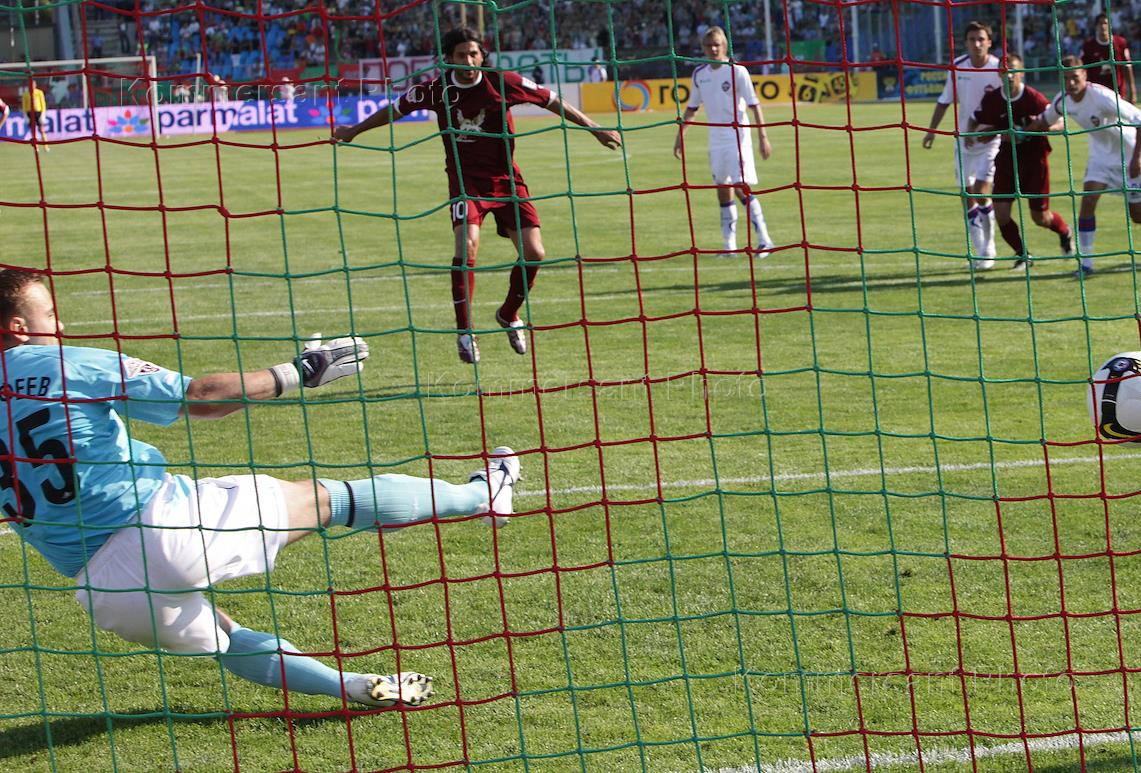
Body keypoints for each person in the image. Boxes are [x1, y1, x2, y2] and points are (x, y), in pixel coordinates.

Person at [0, 269, 522, 708]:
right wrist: (297, 372)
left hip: (104, 591)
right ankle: (484, 495)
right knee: (330, 500)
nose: (60, 325)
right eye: (51, 315)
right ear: (19, 328)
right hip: (166, 528)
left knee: (227, 641)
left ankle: (352, 687)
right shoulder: (61, 363)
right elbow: (200, 398)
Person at [333, 26, 621, 364]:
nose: (468, 61)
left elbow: (552, 100)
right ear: (448, 59)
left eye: (473, 54)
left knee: (535, 253)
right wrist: (354, 131)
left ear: (482, 56)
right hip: (465, 181)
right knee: (467, 245)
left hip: (507, 181)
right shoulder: (436, 89)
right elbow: (395, 109)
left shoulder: (504, 82)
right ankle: (465, 331)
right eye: (461, 55)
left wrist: (595, 129)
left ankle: (508, 314)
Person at [1027, 56, 1141, 277]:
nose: (1070, 83)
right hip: (1100, 160)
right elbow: (1043, 121)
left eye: (1075, 77)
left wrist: (1136, 158)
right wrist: (1019, 130)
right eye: (1066, 78)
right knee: (1087, 202)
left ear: (1085, 75)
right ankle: (1086, 264)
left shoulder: (1101, 96)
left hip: (1130, 158)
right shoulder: (1063, 100)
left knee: (1138, 215)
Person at [673, 27, 774, 260]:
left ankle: (764, 240)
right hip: (715, 139)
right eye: (709, 45)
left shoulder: (737, 71)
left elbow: (754, 105)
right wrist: (680, 136)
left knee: (741, 187)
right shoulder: (700, 74)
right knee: (722, 189)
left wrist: (763, 137)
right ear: (703, 48)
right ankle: (729, 247)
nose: (713, 49)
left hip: (738, 137)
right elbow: (692, 109)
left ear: (724, 46)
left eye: (717, 44)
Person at [967, 52, 1074, 270]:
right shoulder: (993, 99)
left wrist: (1040, 128)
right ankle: (1022, 254)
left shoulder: (1033, 98)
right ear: (999, 73)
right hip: (1007, 159)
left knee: (1040, 217)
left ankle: (1065, 231)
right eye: (1004, 70)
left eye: (1013, 70)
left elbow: (1060, 123)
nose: (1009, 75)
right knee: (1001, 212)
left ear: (1021, 73)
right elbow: (976, 121)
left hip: (1035, 160)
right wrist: (978, 135)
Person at [921, 20, 1002, 270]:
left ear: (989, 42)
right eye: (972, 39)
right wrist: (932, 130)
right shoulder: (957, 66)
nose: (976, 44)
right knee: (966, 195)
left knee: (981, 191)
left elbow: (1007, 103)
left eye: (981, 39)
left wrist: (995, 129)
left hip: (990, 140)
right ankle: (979, 250)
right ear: (965, 43)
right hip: (964, 139)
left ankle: (989, 248)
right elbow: (945, 100)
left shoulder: (999, 68)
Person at [1082, 13, 1136, 103]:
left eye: (1105, 23)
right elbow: (1083, 69)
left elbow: (1127, 67)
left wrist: (1133, 91)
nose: (1103, 26)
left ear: (1110, 26)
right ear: (1096, 26)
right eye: (1100, 23)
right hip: (1097, 91)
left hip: (1117, 90)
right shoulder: (1088, 45)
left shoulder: (1120, 43)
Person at [20, 81, 48, 152]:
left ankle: (46, 146)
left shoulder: (39, 92)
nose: (31, 86)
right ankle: (36, 147)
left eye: (33, 84)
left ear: (35, 85)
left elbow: (43, 103)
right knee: (33, 132)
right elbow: (24, 106)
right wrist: (25, 115)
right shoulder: (25, 94)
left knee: (42, 130)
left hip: (38, 112)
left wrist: (43, 114)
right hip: (30, 113)